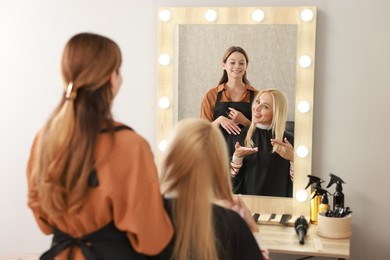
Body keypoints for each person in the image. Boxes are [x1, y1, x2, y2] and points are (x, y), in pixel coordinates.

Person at [26, 33, 173, 259]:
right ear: (111, 79)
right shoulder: (130, 147)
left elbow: (44, 223)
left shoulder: (44, 139)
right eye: (118, 71)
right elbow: (151, 239)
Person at [148, 118, 269, 260]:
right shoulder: (231, 225)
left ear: (169, 156)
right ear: (218, 165)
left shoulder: (142, 216)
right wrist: (253, 231)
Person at [230, 88, 294, 197]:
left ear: (276, 112)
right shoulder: (238, 136)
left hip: (280, 207)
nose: (257, 108)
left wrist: (293, 158)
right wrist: (237, 158)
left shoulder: (288, 142)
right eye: (257, 102)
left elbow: (300, 184)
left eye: (265, 106)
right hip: (246, 206)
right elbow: (225, 181)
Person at [200, 46, 259, 155]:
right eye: (232, 63)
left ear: (247, 66)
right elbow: (203, 131)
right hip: (217, 154)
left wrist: (245, 121)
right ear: (223, 65)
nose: (237, 66)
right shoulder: (211, 95)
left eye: (241, 63)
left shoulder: (257, 95)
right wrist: (219, 120)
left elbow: (263, 133)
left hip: (250, 155)